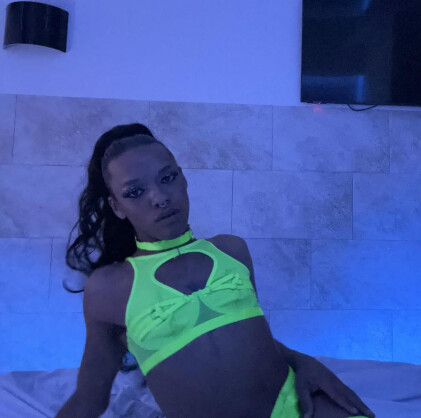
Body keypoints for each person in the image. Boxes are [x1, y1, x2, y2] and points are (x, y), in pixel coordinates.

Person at [57, 123, 375, 417]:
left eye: (167, 178)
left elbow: (249, 336)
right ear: (117, 206)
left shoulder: (231, 250)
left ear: (184, 178)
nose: (160, 198)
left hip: (294, 405)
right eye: (135, 192)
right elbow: (89, 398)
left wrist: (303, 361)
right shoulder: (109, 288)